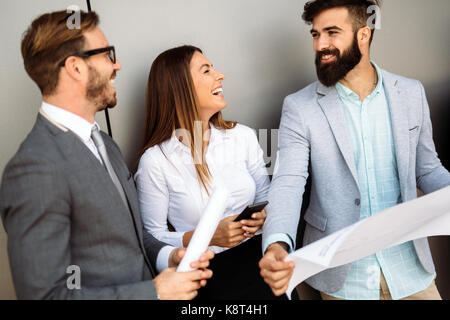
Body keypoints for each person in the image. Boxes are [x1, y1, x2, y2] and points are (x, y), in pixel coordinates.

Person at [0, 10, 213, 300]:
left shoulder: (104, 143)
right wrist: (154, 292)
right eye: (107, 55)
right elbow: (45, 296)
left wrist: (170, 256)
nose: (117, 65)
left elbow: (131, 239)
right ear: (75, 67)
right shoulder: (34, 169)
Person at [259, 0, 450, 300]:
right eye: (315, 34)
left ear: (364, 34)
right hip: (344, 279)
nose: (321, 44)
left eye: (332, 32)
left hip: (411, 270)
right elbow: (288, 182)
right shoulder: (299, 106)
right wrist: (276, 245)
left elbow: (427, 170)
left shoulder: (411, 93)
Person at [135, 45, 281, 300]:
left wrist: (263, 217)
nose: (220, 75)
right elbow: (152, 238)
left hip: (261, 264)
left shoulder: (242, 136)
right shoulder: (156, 161)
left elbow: (269, 198)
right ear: (180, 87)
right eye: (207, 70)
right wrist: (207, 236)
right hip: (206, 278)